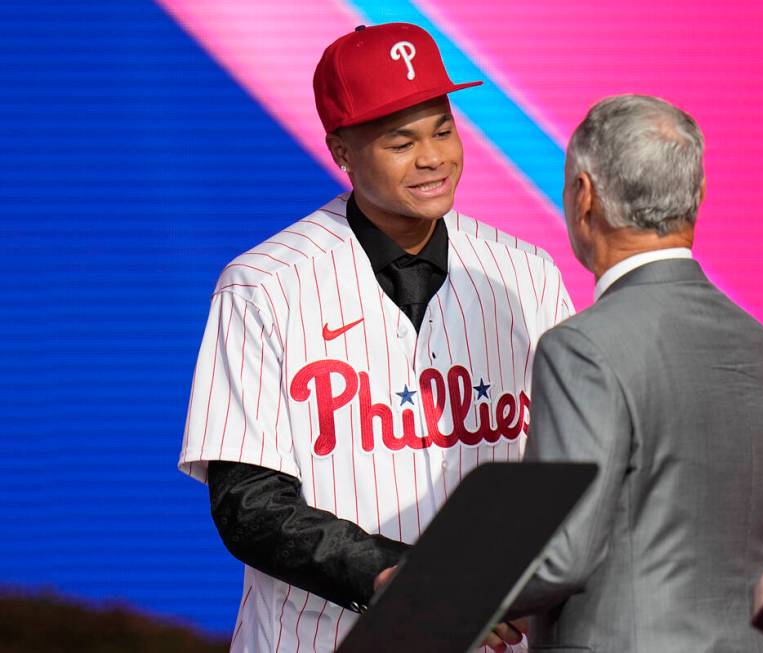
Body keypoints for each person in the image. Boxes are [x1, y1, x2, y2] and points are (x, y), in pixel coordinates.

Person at [178, 22, 571, 652]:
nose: (433, 158)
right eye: (400, 141)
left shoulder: (526, 273)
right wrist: (391, 573)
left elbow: (571, 467)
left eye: (443, 129)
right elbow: (249, 502)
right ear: (340, 149)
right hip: (318, 638)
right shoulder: (264, 285)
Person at [507, 95, 763, 651]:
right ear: (699, 196)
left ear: (584, 195)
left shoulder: (581, 347)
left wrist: (442, 593)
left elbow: (559, 553)